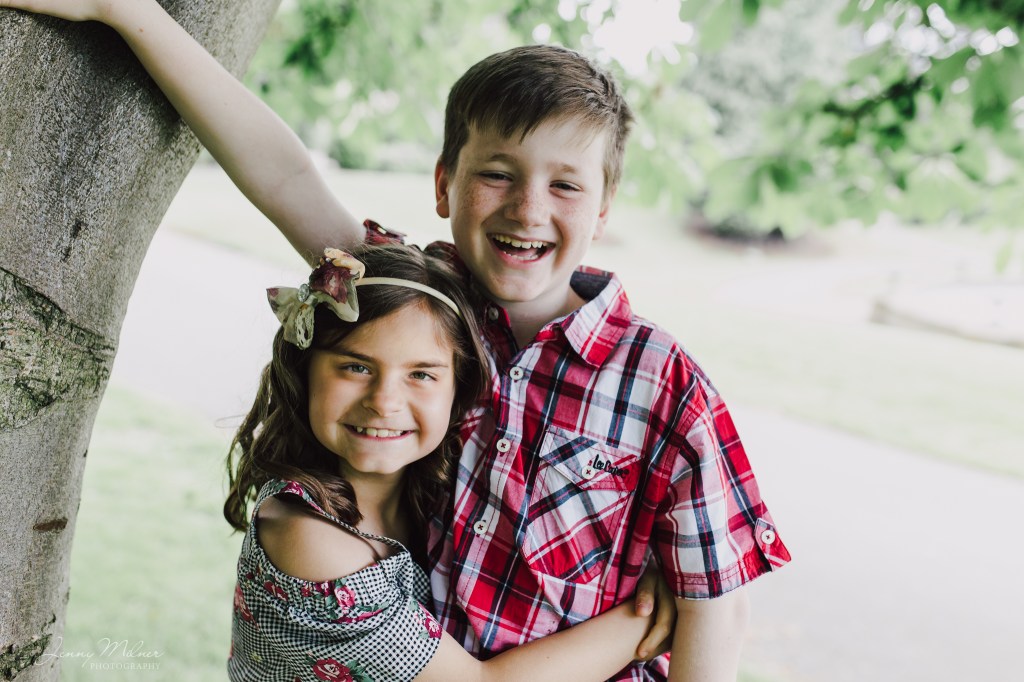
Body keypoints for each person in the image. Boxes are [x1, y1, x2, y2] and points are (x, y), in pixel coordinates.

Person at [1, 1, 792, 679]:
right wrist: (128, 13)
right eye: (498, 174)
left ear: (605, 204)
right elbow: (282, 176)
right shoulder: (417, 304)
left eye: (565, 184)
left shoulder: (662, 384)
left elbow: (711, 608)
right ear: (445, 183)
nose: (527, 208)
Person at [225, 241, 659, 680]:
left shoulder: (440, 495)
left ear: (458, 392)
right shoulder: (307, 536)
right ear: (305, 371)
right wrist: (647, 615)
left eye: (421, 374)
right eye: (356, 367)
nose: (385, 403)